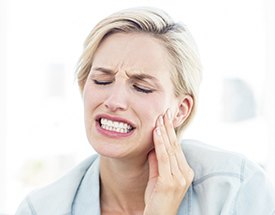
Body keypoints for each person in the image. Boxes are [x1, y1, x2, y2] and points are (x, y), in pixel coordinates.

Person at [16, 7, 275, 215]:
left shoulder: (235, 191)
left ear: (180, 110)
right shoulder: (40, 209)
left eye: (141, 87)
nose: (114, 100)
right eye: (102, 81)